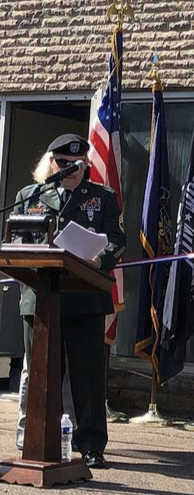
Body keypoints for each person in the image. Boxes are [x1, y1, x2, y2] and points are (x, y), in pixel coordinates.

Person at [12, 134, 126, 469]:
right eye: (63, 163)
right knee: (41, 375)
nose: (71, 169)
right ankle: (39, 442)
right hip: (41, 300)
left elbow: (118, 241)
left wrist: (99, 260)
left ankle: (91, 445)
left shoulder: (102, 198)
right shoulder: (29, 196)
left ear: (86, 163)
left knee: (87, 377)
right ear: (52, 163)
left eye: (77, 164)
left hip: (85, 299)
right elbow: (17, 239)